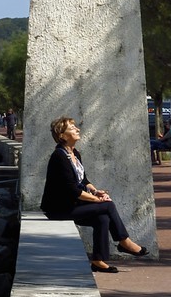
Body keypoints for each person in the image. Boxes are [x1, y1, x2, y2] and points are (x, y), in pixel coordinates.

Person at [40, 117, 150, 273]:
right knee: (108, 205)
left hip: (73, 205)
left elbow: (83, 180)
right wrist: (97, 200)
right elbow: (72, 190)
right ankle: (124, 242)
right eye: (72, 128)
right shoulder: (58, 156)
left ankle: (98, 260)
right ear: (62, 136)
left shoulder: (74, 153)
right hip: (59, 209)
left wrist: (96, 191)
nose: (77, 129)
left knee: (102, 218)